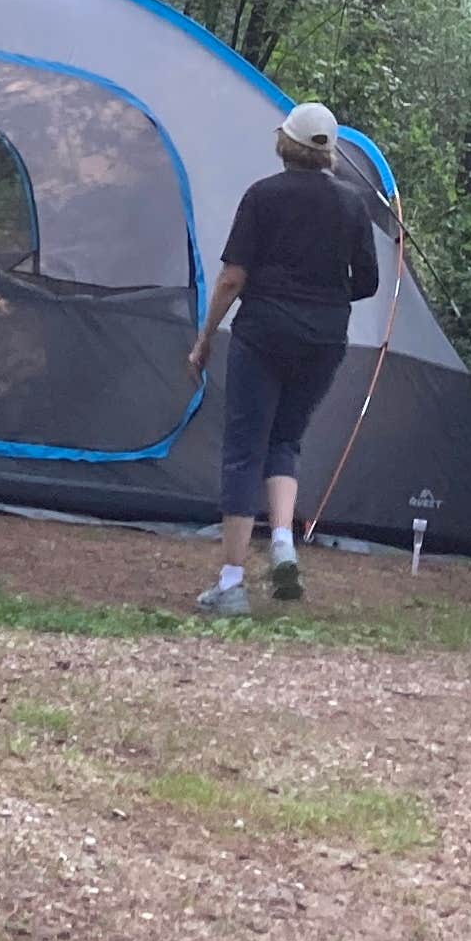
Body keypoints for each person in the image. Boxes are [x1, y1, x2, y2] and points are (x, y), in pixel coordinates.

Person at [187, 99, 380, 616]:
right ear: (330, 152)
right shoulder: (352, 206)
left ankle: (231, 584)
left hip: (264, 334)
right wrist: (322, 292)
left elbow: (232, 278)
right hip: (324, 341)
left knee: (244, 450)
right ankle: (282, 547)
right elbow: (368, 282)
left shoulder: (262, 197)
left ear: (286, 143)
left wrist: (206, 336)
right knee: (286, 440)